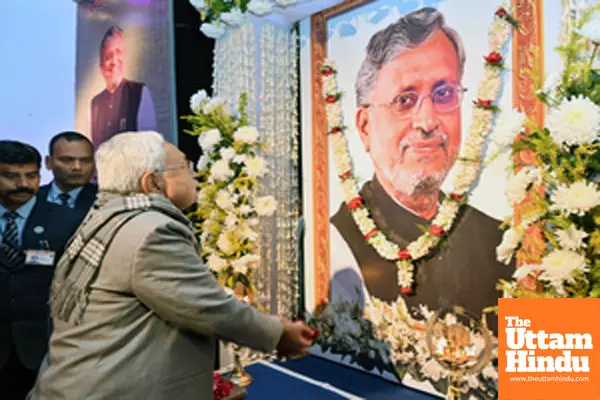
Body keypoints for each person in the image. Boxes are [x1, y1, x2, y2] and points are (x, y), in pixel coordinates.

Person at [27, 132, 314, 399]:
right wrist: (277, 335)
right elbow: (207, 309)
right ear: (153, 182)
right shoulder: (152, 231)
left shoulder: (105, 217)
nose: (195, 174)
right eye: (185, 166)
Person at [329, 8, 512, 331]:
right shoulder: (337, 239)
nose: (428, 122)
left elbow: (553, 378)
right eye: (404, 99)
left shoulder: (501, 240)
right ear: (365, 126)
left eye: (444, 94)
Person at [0, 141, 81, 399]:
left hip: (45, 349)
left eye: (31, 175)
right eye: (10, 176)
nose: (23, 184)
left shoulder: (67, 221)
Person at [90, 26, 157, 148]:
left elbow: (149, 143)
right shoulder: (96, 103)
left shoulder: (139, 92)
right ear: (101, 64)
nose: (114, 61)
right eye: (108, 56)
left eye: (118, 53)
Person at [38, 131, 97, 227]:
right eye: (67, 160)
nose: (77, 167)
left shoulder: (106, 201)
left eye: (86, 161)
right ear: (49, 162)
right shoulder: (29, 199)